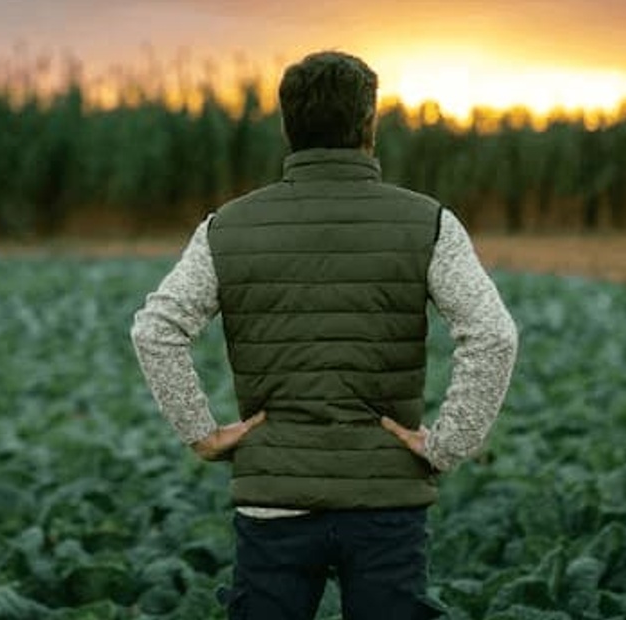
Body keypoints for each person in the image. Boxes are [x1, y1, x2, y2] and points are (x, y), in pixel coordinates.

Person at [130, 50, 518, 620]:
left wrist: (203, 434)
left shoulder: (226, 226)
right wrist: (447, 444)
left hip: (273, 500)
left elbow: (155, 329)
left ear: (288, 127)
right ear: (370, 124)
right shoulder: (429, 221)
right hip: (386, 500)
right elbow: (493, 335)